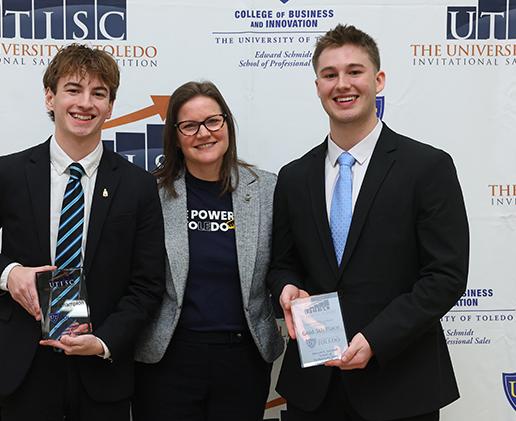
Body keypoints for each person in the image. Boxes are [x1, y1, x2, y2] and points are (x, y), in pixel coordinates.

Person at [0, 44, 165, 421]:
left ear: (111, 107)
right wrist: (8, 274)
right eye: (73, 89)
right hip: (23, 362)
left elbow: (147, 283)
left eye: (98, 93)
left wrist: (103, 341)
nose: (85, 103)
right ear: (50, 98)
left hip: (102, 366)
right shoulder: (7, 173)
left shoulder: (138, 186)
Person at [267, 24, 469, 421]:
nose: (342, 84)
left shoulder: (427, 167)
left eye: (354, 71)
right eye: (330, 74)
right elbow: (283, 264)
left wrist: (376, 339)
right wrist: (286, 289)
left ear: (377, 81)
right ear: (318, 85)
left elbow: (445, 276)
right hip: (314, 390)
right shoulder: (294, 176)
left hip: (400, 384)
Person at [132, 81, 285, 421]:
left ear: (227, 124)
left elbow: (285, 265)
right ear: (175, 136)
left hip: (243, 361)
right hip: (167, 359)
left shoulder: (267, 190)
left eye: (213, 121)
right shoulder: (151, 194)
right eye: (189, 126)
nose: (203, 133)